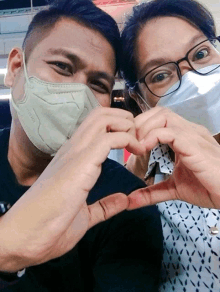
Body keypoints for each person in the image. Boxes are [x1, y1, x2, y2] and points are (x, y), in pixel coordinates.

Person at [0, 0, 163, 291]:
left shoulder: (124, 202)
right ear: (15, 68)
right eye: (62, 66)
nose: (78, 93)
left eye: (98, 84)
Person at [121, 0, 220, 291]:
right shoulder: (141, 187)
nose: (191, 78)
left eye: (201, 54)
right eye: (161, 75)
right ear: (141, 101)